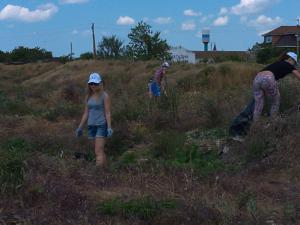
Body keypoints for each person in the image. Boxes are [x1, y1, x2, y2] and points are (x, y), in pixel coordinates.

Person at [75, 72, 113, 167]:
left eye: (95, 83)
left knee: (98, 151)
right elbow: (86, 113)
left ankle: (98, 175)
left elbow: (107, 113)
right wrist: (80, 127)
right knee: (99, 150)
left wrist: (109, 127)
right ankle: (106, 171)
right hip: (91, 126)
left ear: (100, 83)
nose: (93, 85)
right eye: (91, 83)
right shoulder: (88, 97)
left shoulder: (105, 96)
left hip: (101, 125)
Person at [252, 51, 300, 122]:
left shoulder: (276, 63)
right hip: (268, 77)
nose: (294, 65)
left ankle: (255, 125)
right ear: (290, 59)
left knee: (259, 104)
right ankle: (273, 122)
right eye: (294, 62)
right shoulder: (289, 65)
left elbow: (263, 77)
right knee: (275, 101)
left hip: (257, 78)